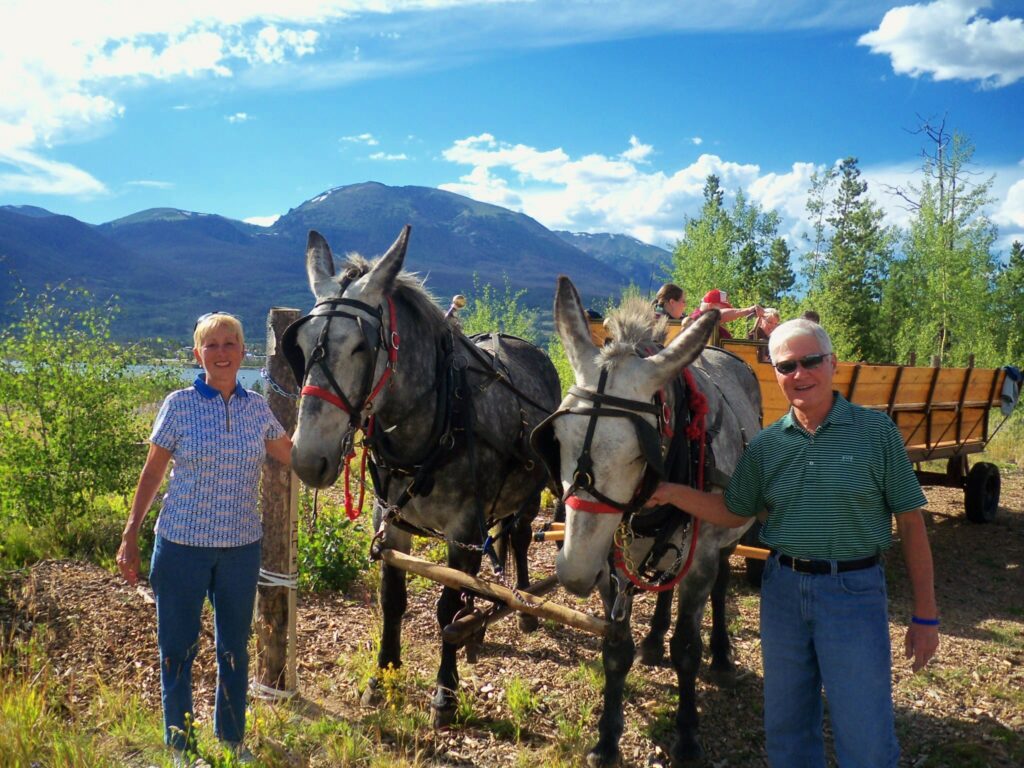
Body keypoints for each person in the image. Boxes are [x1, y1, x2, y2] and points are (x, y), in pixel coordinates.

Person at [646, 318, 938, 768]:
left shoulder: (875, 434)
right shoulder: (766, 446)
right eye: (786, 366)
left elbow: (912, 524)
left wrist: (925, 613)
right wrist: (669, 492)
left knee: (865, 736)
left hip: (853, 591)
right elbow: (733, 512)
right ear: (776, 375)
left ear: (833, 364)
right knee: (787, 732)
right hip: (782, 591)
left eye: (810, 362)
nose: (799, 374)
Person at [117, 312, 293, 766]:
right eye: (210, 345)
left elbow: (293, 455)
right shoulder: (178, 404)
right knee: (177, 650)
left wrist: (342, 438)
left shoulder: (257, 408)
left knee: (234, 648)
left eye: (229, 343)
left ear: (243, 352)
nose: (220, 352)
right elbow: (153, 473)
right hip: (181, 546)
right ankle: (180, 747)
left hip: (240, 548)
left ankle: (232, 740)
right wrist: (130, 533)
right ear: (198, 354)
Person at [691, 288, 763, 340]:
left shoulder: (721, 331)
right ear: (711, 306)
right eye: (724, 309)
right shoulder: (696, 319)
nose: (728, 312)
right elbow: (719, 315)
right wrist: (748, 310)